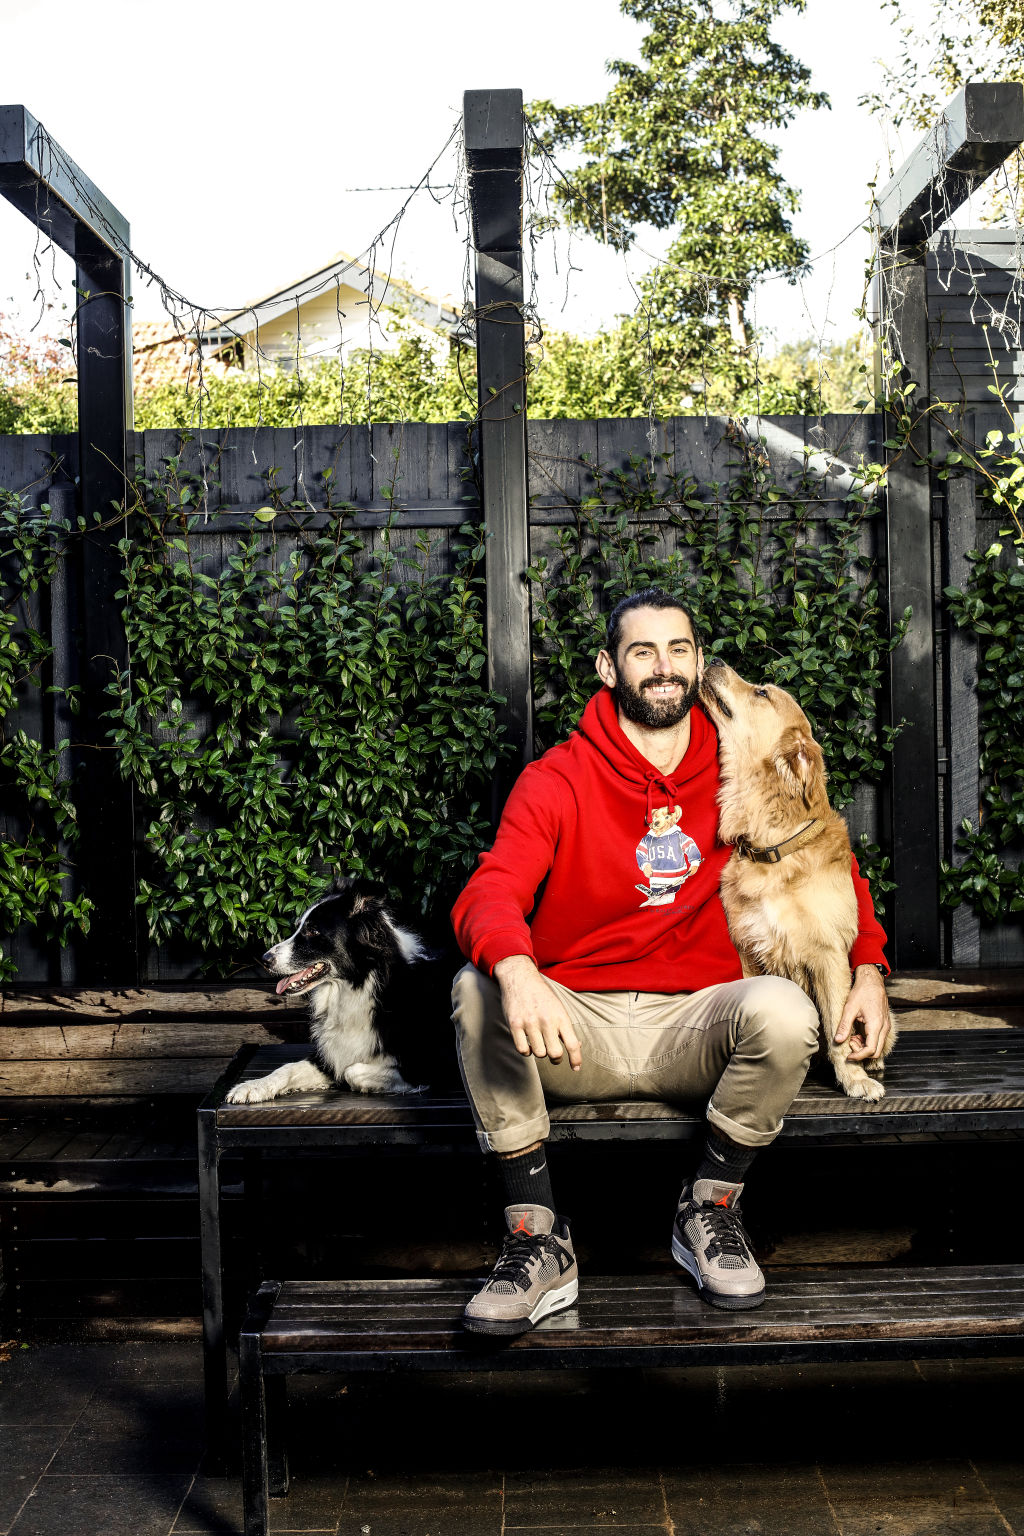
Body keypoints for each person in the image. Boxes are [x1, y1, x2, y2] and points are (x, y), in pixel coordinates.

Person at [450, 587, 890, 1336]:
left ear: (695, 665)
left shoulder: (736, 767)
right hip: (573, 1029)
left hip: (694, 1024)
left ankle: (709, 1209)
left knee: (784, 1013)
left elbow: (824, 856)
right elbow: (488, 891)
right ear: (607, 666)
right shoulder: (556, 779)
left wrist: (872, 970)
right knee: (477, 987)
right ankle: (537, 1236)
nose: (664, 667)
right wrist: (519, 972)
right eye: (642, 651)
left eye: (679, 650)